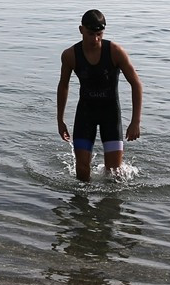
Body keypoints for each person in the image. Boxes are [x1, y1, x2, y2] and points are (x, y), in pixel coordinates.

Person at [56, 9, 142, 182]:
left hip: (110, 114)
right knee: (81, 170)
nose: (95, 39)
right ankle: (81, 206)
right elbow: (63, 86)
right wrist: (60, 120)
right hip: (85, 113)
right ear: (81, 30)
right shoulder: (70, 55)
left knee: (114, 173)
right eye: (90, 34)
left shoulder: (115, 52)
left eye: (99, 34)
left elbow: (136, 84)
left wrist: (135, 122)